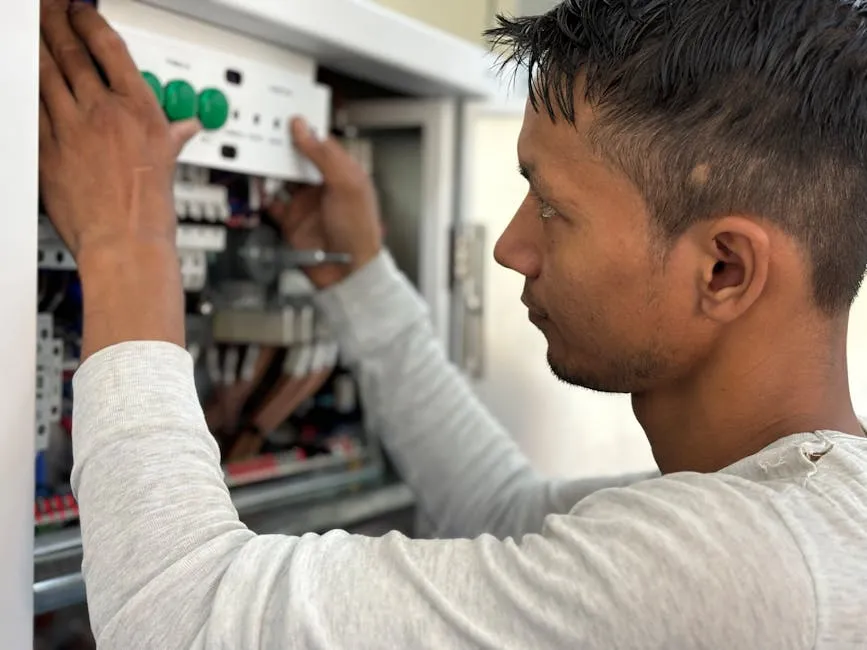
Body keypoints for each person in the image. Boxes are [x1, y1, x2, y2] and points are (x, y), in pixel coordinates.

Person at [38, 0, 867, 647]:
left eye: (551, 206)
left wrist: (124, 240)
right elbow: (502, 508)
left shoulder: (747, 572)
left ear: (723, 269)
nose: (509, 246)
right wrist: (358, 278)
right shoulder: (799, 517)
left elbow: (181, 620)